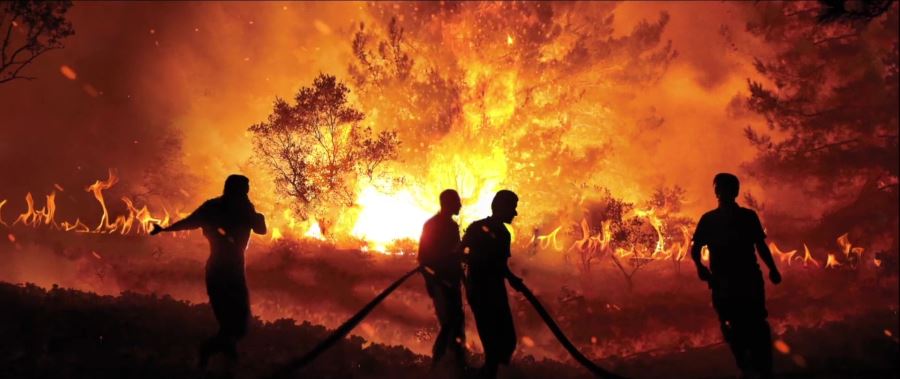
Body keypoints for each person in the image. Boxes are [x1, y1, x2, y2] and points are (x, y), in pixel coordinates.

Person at [150, 174, 267, 371]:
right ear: (238, 189)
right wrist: (165, 230)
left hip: (224, 270)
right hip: (225, 271)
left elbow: (190, 221)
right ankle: (209, 355)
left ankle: (223, 362)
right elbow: (260, 228)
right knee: (236, 325)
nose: (247, 192)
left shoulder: (218, 207)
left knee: (235, 324)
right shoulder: (238, 208)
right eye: (245, 188)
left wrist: (165, 230)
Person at [691, 173, 781, 379]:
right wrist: (700, 267)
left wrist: (773, 269)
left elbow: (760, 246)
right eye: (719, 187)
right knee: (732, 322)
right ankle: (748, 366)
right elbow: (696, 249)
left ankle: (762, 367)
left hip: (746, 278)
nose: (720, 191)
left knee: (754, 322)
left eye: (723, 187)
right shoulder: (710, 219)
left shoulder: (746, 217)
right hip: (725, 280)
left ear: (733, 191)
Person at [459, 190, 525, 379]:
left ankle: (488, 372)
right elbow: (461, 253)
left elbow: (500, 266)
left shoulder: (504, 234)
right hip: (481, 292)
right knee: (493, 343)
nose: (515, 213)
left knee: (508, 340)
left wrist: (512, 279)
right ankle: (486, 374)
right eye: (512, 208)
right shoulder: (477, 228)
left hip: (496, 291)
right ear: (501, 207)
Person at [418, 189, 467, 374]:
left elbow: (456, 257)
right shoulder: (432, 225)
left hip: (452, 284)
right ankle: (436, 366)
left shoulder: (452, 226)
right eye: (457, 202)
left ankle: (458, 365)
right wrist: (434, 281)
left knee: (457, 324)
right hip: (441, 284)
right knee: (449, 324)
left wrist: (463, 281)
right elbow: (423, 260)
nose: (460, 205)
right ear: (448, 203)